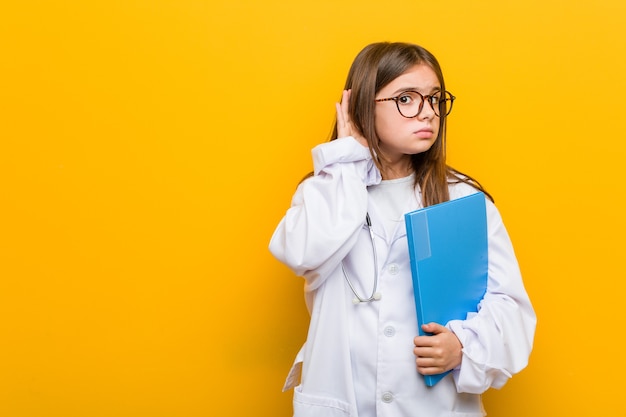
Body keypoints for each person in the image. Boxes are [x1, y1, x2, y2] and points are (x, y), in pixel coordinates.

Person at [269, 42, 536, 417]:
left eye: (434, 99)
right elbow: (302, 253)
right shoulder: (325, 190)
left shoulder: (463, 199)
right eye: (407, 99)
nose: (427, 113)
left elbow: (511, 308)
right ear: (363, 105)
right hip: (343, 401)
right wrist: (345, 163)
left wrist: (462, 346)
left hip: (433, 405)